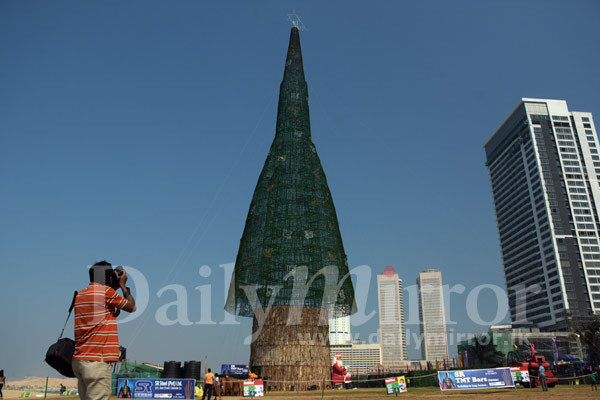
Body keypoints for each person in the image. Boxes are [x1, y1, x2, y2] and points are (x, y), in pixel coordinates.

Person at [72, 261, 136, 400]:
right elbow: (132, 307)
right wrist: (123, 286)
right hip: (97, 361)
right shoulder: (106, 292)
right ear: (109, 278)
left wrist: (112, 284)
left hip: (80, 360)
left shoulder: (81, 295)